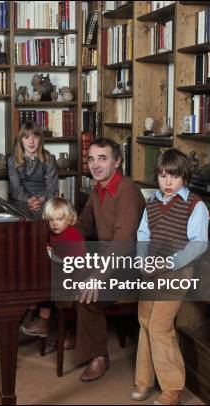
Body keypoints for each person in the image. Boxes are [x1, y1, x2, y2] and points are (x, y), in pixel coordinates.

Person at [131, 149, 208, 405]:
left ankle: (173, 387)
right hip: (152, 269)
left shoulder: (195, 205)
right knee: (144, 321)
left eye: (173, 177)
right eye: (162, 176)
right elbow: (143, 234)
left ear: (184, 177)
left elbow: (198, 245)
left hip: (176, 271)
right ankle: (144, 381)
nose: (167, 182)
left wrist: (168, 262)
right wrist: (142, 259)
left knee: (159, 326)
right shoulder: (152, 201)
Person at [74, 138, 145, 382]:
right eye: (91, 159)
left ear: (117, 161)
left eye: (102, 158)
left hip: (129, 264)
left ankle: (98, 358)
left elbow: (123, 242)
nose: (95, 165)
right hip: (108, 258)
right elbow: (83, 226)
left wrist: (96, 277)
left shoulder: (127, 190)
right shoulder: (99, 189)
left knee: (87, 296)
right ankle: (78, 339)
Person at [20, 197, 84, 337]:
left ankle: (43, 321)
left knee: (47, 284)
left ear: (70, 219)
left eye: (59, 220)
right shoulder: (54, 234)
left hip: (73, 277)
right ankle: (31, 310)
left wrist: (52, 255)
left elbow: (72, 262)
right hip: (60, 272)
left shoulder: (73, 235)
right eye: (51, 220)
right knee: (36, 276)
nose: (54, 224)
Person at [7, 121, 58, 214]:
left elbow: (52, 188)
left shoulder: (49, 158)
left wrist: (40, 200)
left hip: (44, 200)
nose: (31, 141)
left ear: (40, 140)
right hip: (21, 201)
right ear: (21, 140)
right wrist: (29, 200)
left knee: (47, 212)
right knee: (21, 214)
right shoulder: (12, 160)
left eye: (35, 137)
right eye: (26, 137)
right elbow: (15, 189)